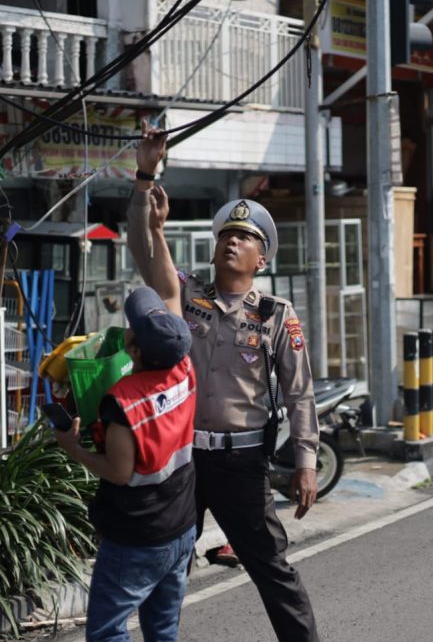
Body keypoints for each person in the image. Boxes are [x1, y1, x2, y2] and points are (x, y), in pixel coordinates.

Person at [127, 124, 321, 642]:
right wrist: (145, 177)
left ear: (262, 259)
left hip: (242, 464)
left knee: (272, 569)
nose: (233, 241)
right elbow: (143, 249)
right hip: (185, 459)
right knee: (167, 566)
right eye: (226, 236)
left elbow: (299, 393)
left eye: (246, 238)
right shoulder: (186, 296)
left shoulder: (276, 314)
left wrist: (306, 462)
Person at [53, 285, 197, 642]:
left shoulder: (123, 402)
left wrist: (73, 448)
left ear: (134, 350)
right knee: (163, 630)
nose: (128, 326)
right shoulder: (184, 367)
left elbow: (119, 473)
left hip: (138, 535)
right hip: (181, 524)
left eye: (133, 326)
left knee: (106, 631)